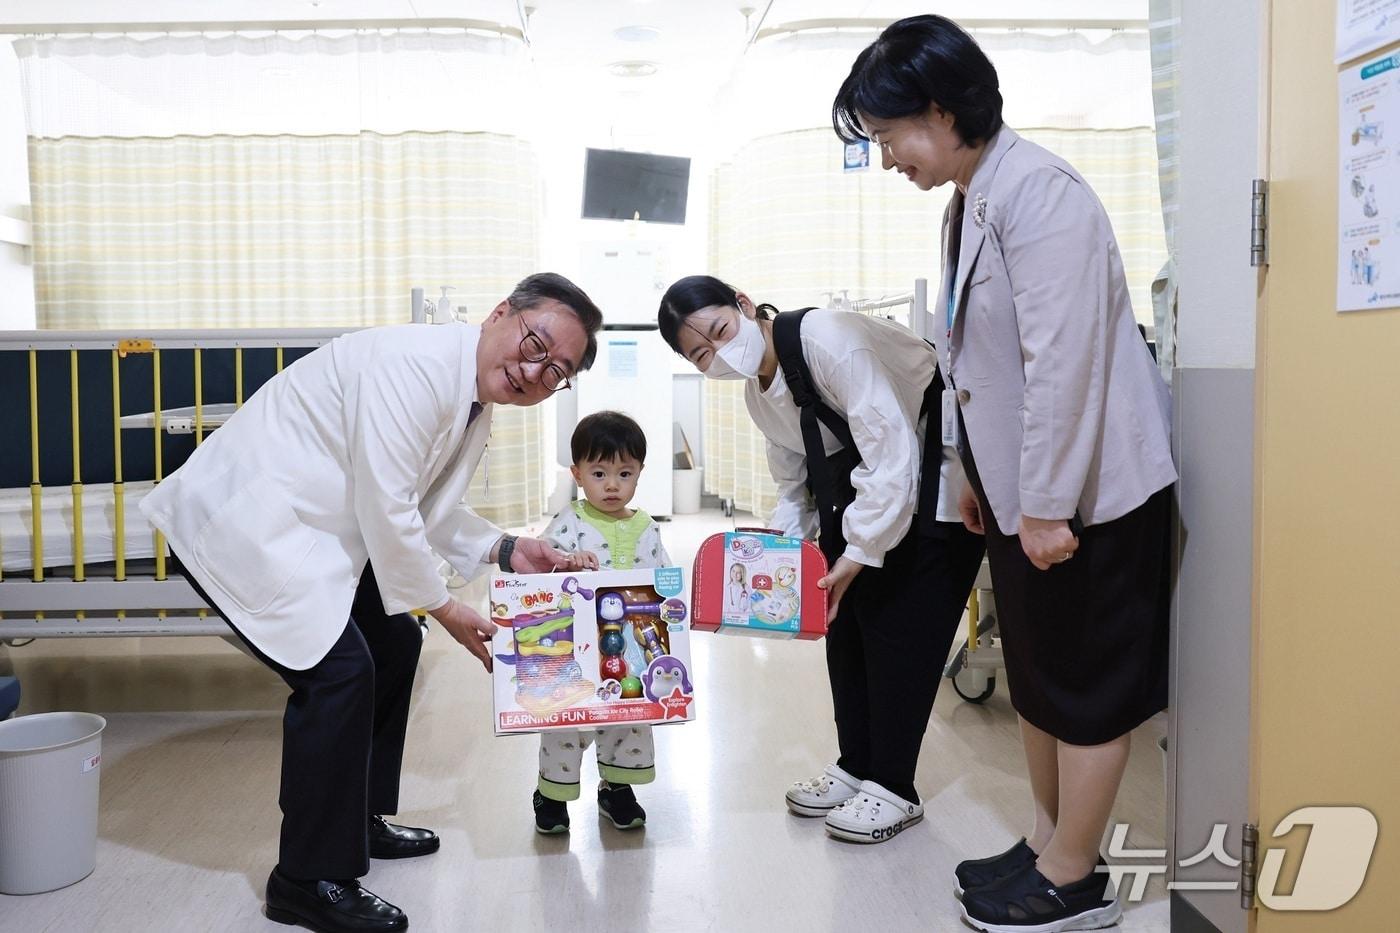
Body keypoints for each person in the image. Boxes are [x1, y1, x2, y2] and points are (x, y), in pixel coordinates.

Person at [833, 15, 1176, 932]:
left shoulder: (1042, 195)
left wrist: (1050, 505)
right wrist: (973, 475)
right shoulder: (972, 199)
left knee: (1084, 683)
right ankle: (1045, 838)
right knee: (1037, 674)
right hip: (1024, 491)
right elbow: (969, 364)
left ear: (942, 111)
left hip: (1091, 497)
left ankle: (1074, 879)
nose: (888, 156)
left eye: (890, 134)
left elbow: (1064, 364)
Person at [141, 273, 603, 933]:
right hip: (249, 524)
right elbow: (389, 509)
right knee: (341, 675)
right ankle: (306, 879)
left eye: (556, 371)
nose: (535, 371)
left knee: (395, 641)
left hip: (313, 531)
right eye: (535, 344)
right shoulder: (414, 366)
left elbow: (426, 506)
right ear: (501, 312)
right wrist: (446, 608)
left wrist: (509, 550)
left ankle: (356, 818)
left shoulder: (470, 400)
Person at [658, 275, 985, 845]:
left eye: (721, 331)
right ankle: (857, 763)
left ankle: (894, 786)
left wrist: (859, 549)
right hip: (872, 487)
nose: (720, 354)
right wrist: (783, 555)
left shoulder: (828, 339)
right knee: (846, 624)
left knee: (899, 630)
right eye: (702, 355)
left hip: (937, 472)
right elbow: (795, 483)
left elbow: (892, 450)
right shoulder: (759, 396)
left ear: (743, 303)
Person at [530, 411, 672, 835]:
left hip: (629, 649)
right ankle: (551, 794)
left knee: (627, 715)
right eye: (599, 473)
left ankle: (616, 788)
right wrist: (565, 563)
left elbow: (665, 582)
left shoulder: (646, 527)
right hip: (575, 648)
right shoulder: (569, 522)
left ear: (639, 473)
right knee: (567, 719)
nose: (612, 485)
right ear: (577, 474)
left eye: (624, 473)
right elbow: (539, 572)